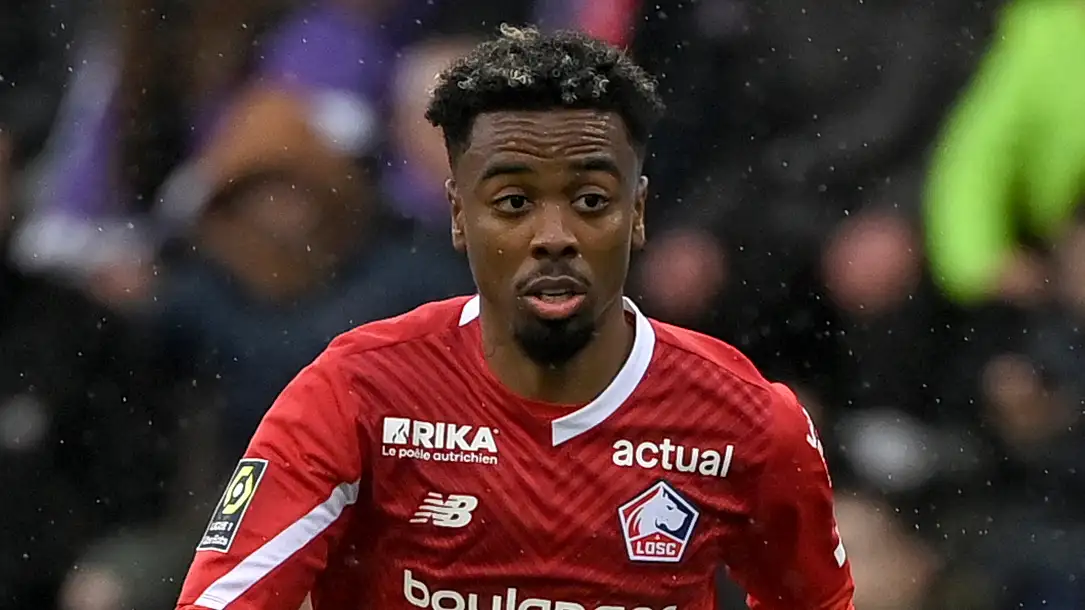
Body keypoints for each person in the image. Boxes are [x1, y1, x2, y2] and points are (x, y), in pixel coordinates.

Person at [174, 25, 855, 610]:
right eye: (512, 203)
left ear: (638, 213)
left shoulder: (748, 421)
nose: (553, 236)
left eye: (591, 201)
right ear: (458, 216)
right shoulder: (354, 393)